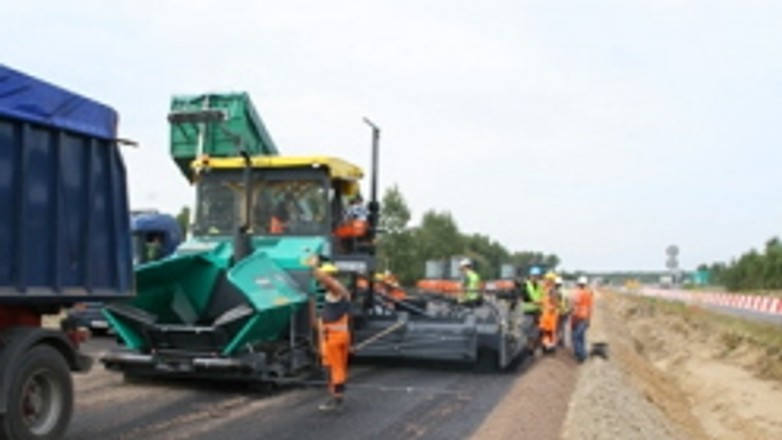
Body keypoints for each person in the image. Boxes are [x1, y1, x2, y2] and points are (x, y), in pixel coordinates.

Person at [306, 255, 352, 411]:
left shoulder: (336, 290)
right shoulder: (337, 293)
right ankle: (335, 396)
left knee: (334, 368)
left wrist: (313, 268)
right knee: (331, 367)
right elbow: (317, 320)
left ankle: (337, 399)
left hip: (334, 338)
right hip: (332, 337)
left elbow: (327, 281)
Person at [571, 276, 594, 363]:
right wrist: (589, 320)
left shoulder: (578, 293)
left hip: (578, 318)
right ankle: (583, 353)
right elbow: (590, 308)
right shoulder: (589, 294)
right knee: (581, 337)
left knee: (576, 337)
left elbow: (575, 307)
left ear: (578, 284)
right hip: (585, 318)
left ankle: (580, 355)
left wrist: (574, 320)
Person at [538, 272, 560, 351]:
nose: (545, 281)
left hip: (550, 315)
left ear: (551, 280)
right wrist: (539, 302)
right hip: (546, 315)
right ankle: (546, 345)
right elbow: (545, 300)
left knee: (549, 332)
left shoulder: (552, 290)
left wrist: (552, 307)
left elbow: (556, 303)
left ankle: (550, 347)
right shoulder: (546, 289)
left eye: (546, 279)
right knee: (544, 331)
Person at [554, 276, 571, 348]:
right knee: (563, 327)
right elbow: (568, 301)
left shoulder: (558, 291)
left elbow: (557, 302)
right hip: (566, 311)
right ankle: (563, 342)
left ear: (557, 284)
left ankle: (557, 342)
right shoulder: (566, 290)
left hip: (560, 311)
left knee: (557, 327)